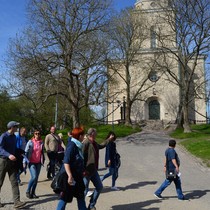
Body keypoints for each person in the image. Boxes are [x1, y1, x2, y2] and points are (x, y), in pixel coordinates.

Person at [83, 128, 114, 210]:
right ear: (92, 134)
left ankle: (91, 205)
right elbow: (80, 157)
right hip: (86, 171)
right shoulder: (86, 142)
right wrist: (83, 169)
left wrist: (109, 139)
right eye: (95, 133)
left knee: (99, 187)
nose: (96, 134)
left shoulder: (94, 142)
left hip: (94, 170)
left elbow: (101, 146)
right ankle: (82, 207)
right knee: (84, 191)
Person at [56, 127, 87, 210]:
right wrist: (69, 175)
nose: (84, 136)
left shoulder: (78, 145)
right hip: (69, 176)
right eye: (83, 135)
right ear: (79, 136)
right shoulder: (72, 145)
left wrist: (83, 170)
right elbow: (66, 161)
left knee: (80, 196)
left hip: (77, 175)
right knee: (65, 198)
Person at [0, 121, 26, 209]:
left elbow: (13, 148)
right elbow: (0, 148)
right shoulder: (4, 136)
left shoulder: (14, 137)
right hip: (3, 161)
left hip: (12, 162)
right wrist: (9, 155)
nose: (17, 128)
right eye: (16, 126)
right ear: (11, 127)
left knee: (14, 182)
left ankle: (17, 202)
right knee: (0, 182)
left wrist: (20, 151)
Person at [25, 130, 45, 199]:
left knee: (36, 179)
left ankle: (33, 193)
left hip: (38, 162)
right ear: (34, 134)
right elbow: (26, 152)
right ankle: (28, 191)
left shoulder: (41, 142)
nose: (37, 135)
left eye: (38, 133)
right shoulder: (30, 142)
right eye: (36, 133)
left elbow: (42, 152)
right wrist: (24, 162)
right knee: (34, 177)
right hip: (31, 162)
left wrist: (43, 160)